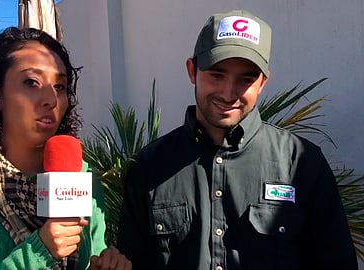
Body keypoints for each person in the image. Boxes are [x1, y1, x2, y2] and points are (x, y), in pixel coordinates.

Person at [117, 9, 357, 270]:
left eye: (246, 79)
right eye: (217, 75)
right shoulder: (150, 166)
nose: (229, 93)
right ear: (192, 70)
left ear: (263, 83)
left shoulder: (301, 163)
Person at [0, 27, 131, 270]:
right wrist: (39, 251)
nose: (50, 98)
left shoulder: (81, 178)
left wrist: (105, 263)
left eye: (60, 86)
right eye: (32, 82)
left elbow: (92, 252)